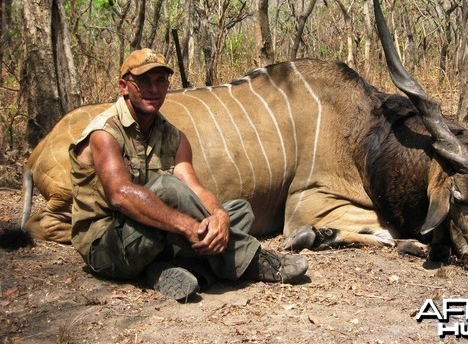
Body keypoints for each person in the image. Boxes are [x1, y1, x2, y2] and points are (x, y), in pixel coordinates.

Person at [69, 48, 308, 301]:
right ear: (124, 86)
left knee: (240, 211)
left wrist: (219, 217)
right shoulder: (104, 133)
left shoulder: (173, 136)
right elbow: (120, 195)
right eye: (143, 82)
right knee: (166, 188)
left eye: (160, 81)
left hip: (151, 235)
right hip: (107, 247)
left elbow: (194, 187)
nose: (153, 89)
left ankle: (161, 270)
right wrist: (188, 226)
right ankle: (254, 261)